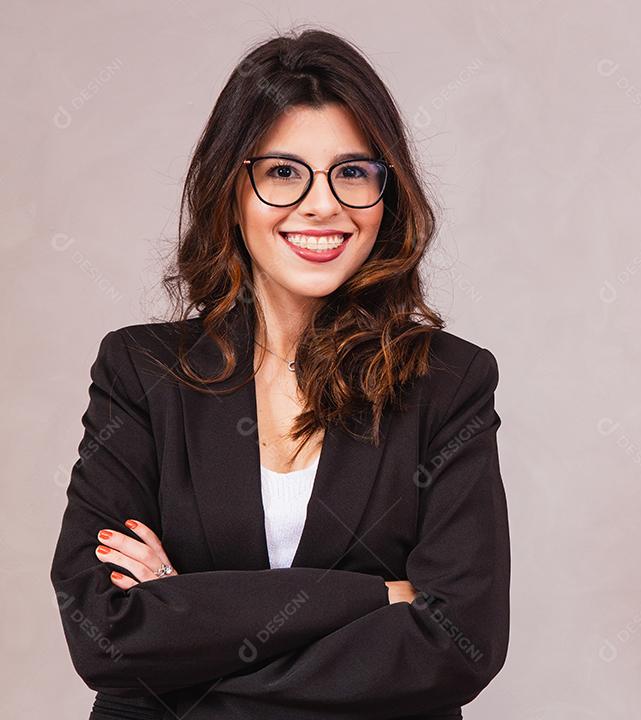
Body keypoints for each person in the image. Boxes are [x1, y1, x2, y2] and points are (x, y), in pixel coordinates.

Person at [49, 27, 510, 720]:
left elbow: (459, 642)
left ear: (387, 195)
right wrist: (379, 596)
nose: (323, 204)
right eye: (283, 172)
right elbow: (107, 636)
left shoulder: (448, 382)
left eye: (353, 171)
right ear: (231, 190)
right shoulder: (142, 373)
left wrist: (189, 624)